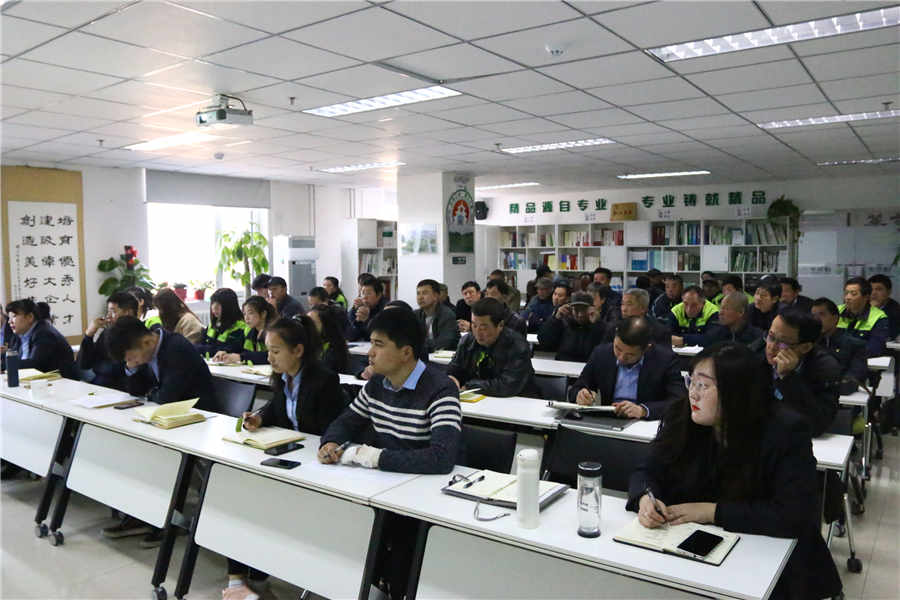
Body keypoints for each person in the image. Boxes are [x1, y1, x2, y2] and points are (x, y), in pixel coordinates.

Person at [626, 342, 842, 599]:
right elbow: (646, 470)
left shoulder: (785, 431)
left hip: (771, 563)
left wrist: (711, 512)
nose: (693, 394)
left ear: (735, 392)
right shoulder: (682, 415)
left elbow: (794, 515)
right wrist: (645, 498)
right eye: (691, 381)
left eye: (703, 385)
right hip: (696, 553)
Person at [318, 307, 462, 597]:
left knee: (393, 541)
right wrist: (330, 442)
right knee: (341, 521)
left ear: (406, 352)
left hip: (427, 497)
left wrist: (375, 457)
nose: (370, 353)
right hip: (388, 486)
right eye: (371, 343)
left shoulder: (440, 389)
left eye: (379, 345)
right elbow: (346, 421)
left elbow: (442, 457)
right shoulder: (376, 384)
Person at [231, 316, 343, 599]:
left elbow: (330, 431)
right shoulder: (283, 377)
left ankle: (249, 579)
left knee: (258, 502)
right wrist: (259, 417)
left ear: (298, 350)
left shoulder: (324, 381)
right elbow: (277, 407)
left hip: (317, 467)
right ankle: (240, 580)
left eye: (275, 351)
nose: (269, 358)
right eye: (268, 350)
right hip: (290, 459)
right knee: (238, 493)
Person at [569, 316, 685, 420]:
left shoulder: (665, 360)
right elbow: (577, 387)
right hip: (608, 420)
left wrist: (643, 410)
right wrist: (580, 394)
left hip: (644, 424)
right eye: (617, 349)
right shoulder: (601, 353)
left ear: (646, 349)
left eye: (630, 355)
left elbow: (679, 400)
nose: (621, 358)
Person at [106, 315, 216, 410]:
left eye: (132, 358)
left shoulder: (176, 348)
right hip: (170, 414)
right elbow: (136, 391)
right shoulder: (145, 352)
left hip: (198, 414)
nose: (132, 363)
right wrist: (132, 369)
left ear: (147, 342)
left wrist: (150, 394)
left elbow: (167, 398)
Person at [765, 310, 841, 437]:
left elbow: (817, 425)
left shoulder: (825, 368)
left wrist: (788, 377)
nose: (772, 347)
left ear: (806, 347)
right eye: (771, 337)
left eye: (783, 343)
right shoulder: (755, 355)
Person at [447, 298, 540, 398]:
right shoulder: (467, 341)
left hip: (519, 400)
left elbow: (507, 385)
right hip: (478, 399)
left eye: (484, 328)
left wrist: (470, 386)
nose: (478, 332)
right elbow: (454, 369)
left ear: (500, 325)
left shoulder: (517, 346)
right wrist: (452, 378)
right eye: (474, 325)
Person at [77, 291, 139, 390]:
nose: (108, 317)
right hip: (100, 388)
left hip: (122, 390)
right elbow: (84, 364)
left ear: (128, 313)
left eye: (113, 312)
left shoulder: (139, 335)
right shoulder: (108, 332)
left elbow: (118, 370)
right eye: (108, 312)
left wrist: (98, 365)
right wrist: (89, 334)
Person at [4, 299, 76, 379]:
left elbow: (35, 364)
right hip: (37, 381)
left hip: (61, 382)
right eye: (9, 318)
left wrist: (6, 365)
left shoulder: (44, 333)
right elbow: (13, 357)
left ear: (30, 317)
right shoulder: (19, 336)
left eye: (14, 316)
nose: (9, 322)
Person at [812, 298, 868, 395]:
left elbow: (854, 378)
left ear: (835, 318)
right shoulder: (809, 343)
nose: (816, 319)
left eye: (822, 314)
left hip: (843, 397)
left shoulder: (855, 345)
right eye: (813, 316)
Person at [537, 292, 608, 362]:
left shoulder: (598, 326)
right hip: (563, 365)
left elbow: (603, 349)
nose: (580, 315)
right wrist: (555, 319)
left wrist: (597, 324)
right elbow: (544, 341)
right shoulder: (563, 323)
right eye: (576, 310)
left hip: (588, 366)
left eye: (584, 310)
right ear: (570, 310)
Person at [213, 295, 278, 366]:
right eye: (244, 314)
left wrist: (241, 357)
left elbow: (269, 355)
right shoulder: (250, 331)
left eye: (250, 313)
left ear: (263, 314)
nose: (246, 318)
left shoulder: (274, 333)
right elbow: (236, 346)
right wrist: (225, 352)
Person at [837, 276, 889, 357]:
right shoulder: (836, 311)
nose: (848, 297)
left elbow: (874, 349)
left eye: (853, 294)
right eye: (846, 293)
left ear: (866, 297)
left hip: (862, 361)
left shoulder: (878, 317)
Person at [602, 288, 670, 346]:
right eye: (622, 304)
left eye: (629, 304)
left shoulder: (659, 331)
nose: (624, 309)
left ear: (643, 308)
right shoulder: (614, 328)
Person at [698, 292, 764, 349]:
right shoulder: (715, 335)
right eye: (721, 308)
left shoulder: (757, 338)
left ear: (741, 312)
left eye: (726, 308)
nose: (720, 313)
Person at [413, 279, 460, 352]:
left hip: (445, 357)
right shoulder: (415, 315)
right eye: (418, 293)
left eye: (424, 293)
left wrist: (417, 345)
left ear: (435, 296)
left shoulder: (447, 315)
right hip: (425, 354)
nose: (420, 297)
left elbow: (442, 343)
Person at [196, 288, 245, 356]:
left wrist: (204, 349)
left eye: (219, 304)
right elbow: (200, 344)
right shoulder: (213, 324)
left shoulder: (240, 326)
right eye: (213, 303)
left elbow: (228, 350)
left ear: (230, 306)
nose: (214, 307)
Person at [308, 304, 350, 375]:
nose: (307, 326)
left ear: (326, 326)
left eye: (312, 323)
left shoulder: (333, 350)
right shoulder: (308, 344)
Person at [869, 274, 899, 340]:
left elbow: (889, 334)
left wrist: (874, 311)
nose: (873, 293)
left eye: (879, 289)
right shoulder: (862, 305)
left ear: (888, 292)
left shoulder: (896, 311)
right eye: (871, 289)